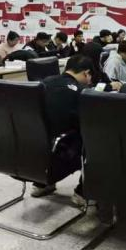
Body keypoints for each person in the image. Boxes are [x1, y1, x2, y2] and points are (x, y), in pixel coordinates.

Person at [32, 55, 99, 202]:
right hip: (59, 156)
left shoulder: (42, 83)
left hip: (29, 155)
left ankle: (41, 183)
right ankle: (83, 192)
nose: (89, 82)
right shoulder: (81, 92)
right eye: (90, 78)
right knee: (98, 139)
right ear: (86, 73)